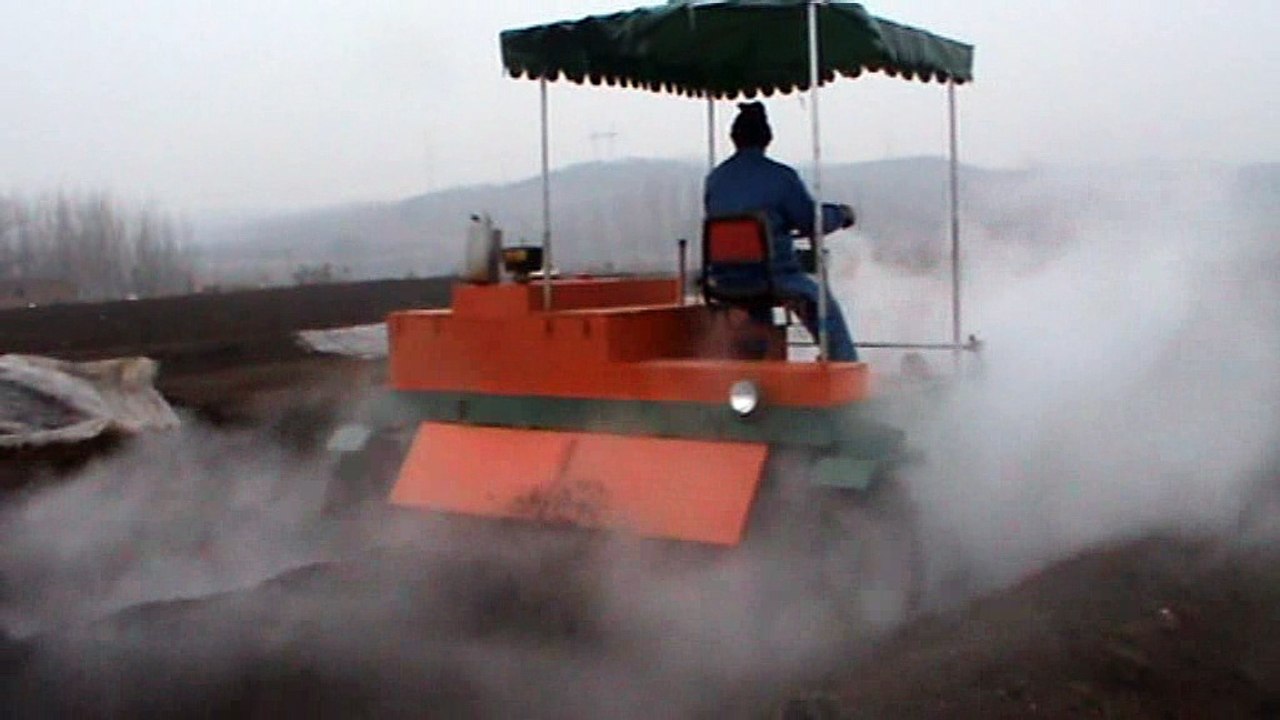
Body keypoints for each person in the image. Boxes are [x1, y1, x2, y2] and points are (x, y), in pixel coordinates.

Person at [704, 102, 859, 361]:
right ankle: (842, 363)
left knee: (759, 287)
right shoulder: (781, 178)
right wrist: (842, 215)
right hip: (771, 277)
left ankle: (759, 357)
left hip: (724, 278)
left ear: (734, 138)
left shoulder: (716, 179)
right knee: (819, 299)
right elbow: (812, 221)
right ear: (768, 138)